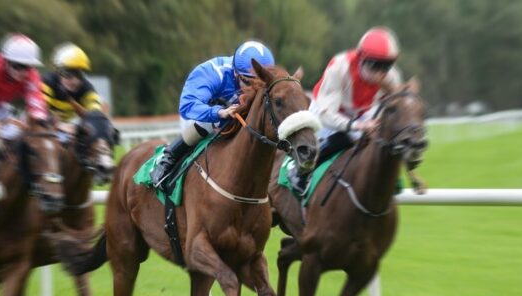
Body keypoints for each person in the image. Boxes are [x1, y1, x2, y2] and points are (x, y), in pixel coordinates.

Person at [289, 26, 402, 195]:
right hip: (325, 112)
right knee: (342, 138)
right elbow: (327, 116)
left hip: (361, 113)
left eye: (387, 66)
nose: (382, 74)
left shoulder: (391, 77)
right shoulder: (339, 68)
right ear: (361, 58)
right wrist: (357, 126)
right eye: (376, 66)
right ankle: (299, 173)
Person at [149, 40, 275, 187]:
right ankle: (169, 158)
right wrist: (219, 112)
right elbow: (187, 106)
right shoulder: (213, 74)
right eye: (248, 83)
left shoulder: (251, 76)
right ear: (236, 73)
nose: (254, 89)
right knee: (209, 123)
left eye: (260, 84)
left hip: (233, 115)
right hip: (199, 116)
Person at [0, 33, 48, 141]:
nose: (22, 72)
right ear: (5, 61)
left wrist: (40, 119)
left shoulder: (32, 75)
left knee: (14, 136)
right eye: (17, 66)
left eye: (27, 67)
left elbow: (36, 102)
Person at [41, 43, 103, 142]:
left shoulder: (87, 89)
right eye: (67, 74)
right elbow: (39, 111)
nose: (74, 80)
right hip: (39, 123)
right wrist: (58, 125)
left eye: (79, 75)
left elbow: (96, 115)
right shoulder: (47, 82)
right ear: (58, 72)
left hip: (65, 127)